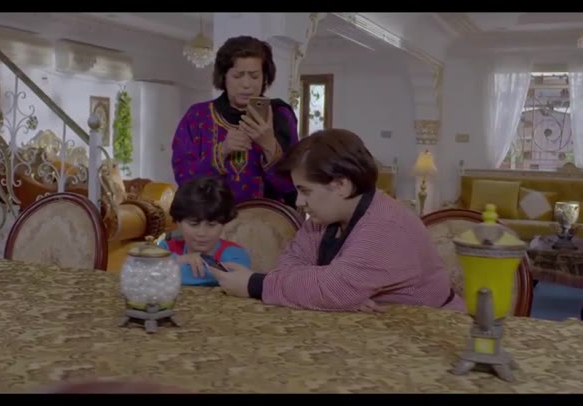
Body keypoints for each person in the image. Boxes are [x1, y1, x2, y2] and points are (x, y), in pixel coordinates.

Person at [208, 129, 466, 313]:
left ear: (341, 185)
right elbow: (290, 265)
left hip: (428, 328)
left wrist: (255, 284)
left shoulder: (385, 226)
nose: (299, 201)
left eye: (305, 191)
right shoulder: (324, 217)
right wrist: (340, 295)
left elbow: (333, 288)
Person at [170, 35, 299, 209]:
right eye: (237, 76)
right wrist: (222, 151)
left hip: (267, 220)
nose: (246, 84)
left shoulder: (280, 115)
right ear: (224, 77)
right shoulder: (197, 116)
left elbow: (293, 187)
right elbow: (183, 179)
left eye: (254, 76)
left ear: (265, 78)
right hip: (212, 220)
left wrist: (269, 145)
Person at [158, 176, 252, 286]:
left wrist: (168, 265)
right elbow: (144, 269)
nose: (202, 233)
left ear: (224, 224)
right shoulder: (165, 248)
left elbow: (225, 277)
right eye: (194, 224)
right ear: (178, 222)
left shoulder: (236, 254)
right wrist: (181, 259)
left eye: (212, 225)